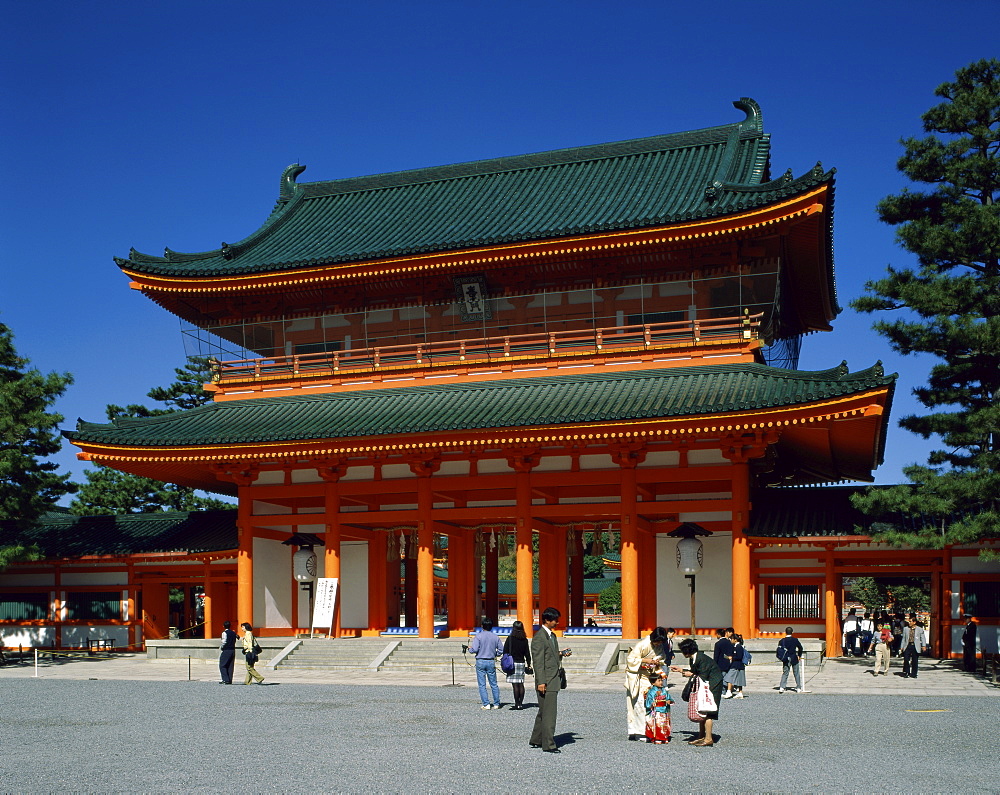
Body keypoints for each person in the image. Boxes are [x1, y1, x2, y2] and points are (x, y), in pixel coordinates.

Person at [529, 606, 571, 753]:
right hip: (546, 680)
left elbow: (549, 655)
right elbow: (538, 662)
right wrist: (541, 681)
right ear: (547, 620)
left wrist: (560, 654)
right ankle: (549, 744)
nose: (557, 622)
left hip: (553, 678)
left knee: (544, 711)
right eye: (555, 620)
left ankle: (536, 739)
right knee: (550, 714)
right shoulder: (539, 638)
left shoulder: (551, 636)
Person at [671, 638, 722, 747]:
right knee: (701, 708)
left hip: (713, 684)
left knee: (708, 710)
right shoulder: (694, 658)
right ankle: (701, 735)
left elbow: (701, 676)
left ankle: (708, 738)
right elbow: (694, 672)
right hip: (705, 684)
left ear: (687, 650)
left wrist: (688, 673)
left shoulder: (701, 659)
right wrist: (681, 670)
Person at [624, 626, 671, 740]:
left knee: (652, 703)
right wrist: (646, 660)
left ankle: (651, 730)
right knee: (640, 703)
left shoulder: (659, 647)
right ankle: (639, 731)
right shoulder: (643, 644)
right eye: (657, 641)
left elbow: (662, 657)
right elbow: (631, 659)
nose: (658, 644)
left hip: (651, 677)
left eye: (661, 642)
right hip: (639, 676)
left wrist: (657, 661)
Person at [469, 617, 504, 709]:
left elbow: (474, 649)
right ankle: (496, 703)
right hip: (491, 660)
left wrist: (470, 649)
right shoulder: (495, 637)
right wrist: (495, 654)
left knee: (482, 684)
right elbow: (501, 650)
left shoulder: (478, 636)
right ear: (491, 627)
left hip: (480, 660)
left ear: (482, 626)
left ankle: (486, 704)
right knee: (493, 683)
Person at [503, 620, 532, 710]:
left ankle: (517, 703)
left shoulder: (510, 638)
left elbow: (505, 651)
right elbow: (527, 653)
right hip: (521, 663)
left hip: (512, 662)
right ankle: (521, 703)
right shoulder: (524, 640)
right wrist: (529, 664)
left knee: (515, 685)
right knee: (521, 683)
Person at [776, 626, 808, 693]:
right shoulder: (795, 640)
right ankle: (798, 687)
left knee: (785, 673)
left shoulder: (782, 641)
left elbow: (780, 650)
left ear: (785, 632)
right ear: (792, 632)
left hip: (786, 658)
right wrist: (799, 655)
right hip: (794, 657)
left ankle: (782, 687)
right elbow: (800, 648)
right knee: (796, 673)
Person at [643, 672, 673, 744]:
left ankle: (664, 737)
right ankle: (657, 737)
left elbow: (669, 698)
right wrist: (652, 703)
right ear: (653, 683)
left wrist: (669, 701)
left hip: (664, 710)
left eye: (661, 680)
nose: (661, 682)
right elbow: (648, 702)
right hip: (656, 711)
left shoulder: (664, 690)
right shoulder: (651, 691)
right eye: (659, 681)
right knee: (658, 724)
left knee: (665, 724)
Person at [713, 628, 735, 696]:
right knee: (727, 676)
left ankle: (723, 691)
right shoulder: (729, 642)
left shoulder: (718, 644)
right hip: (728, 662)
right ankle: (728, 689)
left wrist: (714, 663)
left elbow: (716, 655)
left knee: (721, 677)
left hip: (720, 663)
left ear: (719, 635)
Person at [726, 633, 747, 698]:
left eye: (731, 639)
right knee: (739, 679)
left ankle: (729, 691)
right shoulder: (738, 646)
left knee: (729, 677)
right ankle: (740, 692)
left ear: (735, 640)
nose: (731, 640)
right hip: (739, 665)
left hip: (736, 665)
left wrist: (732, 658)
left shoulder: (738, 647)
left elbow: (739, 656)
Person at [218, 620, 237, 685]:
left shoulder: (224, 633)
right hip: (233, 649)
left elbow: (224, 641)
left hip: (226, 650)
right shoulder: (234, 633)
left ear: (223, 626)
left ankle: (225, 679)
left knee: (222, 665)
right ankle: (229, 679)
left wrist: (222, 647)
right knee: (230, 665)